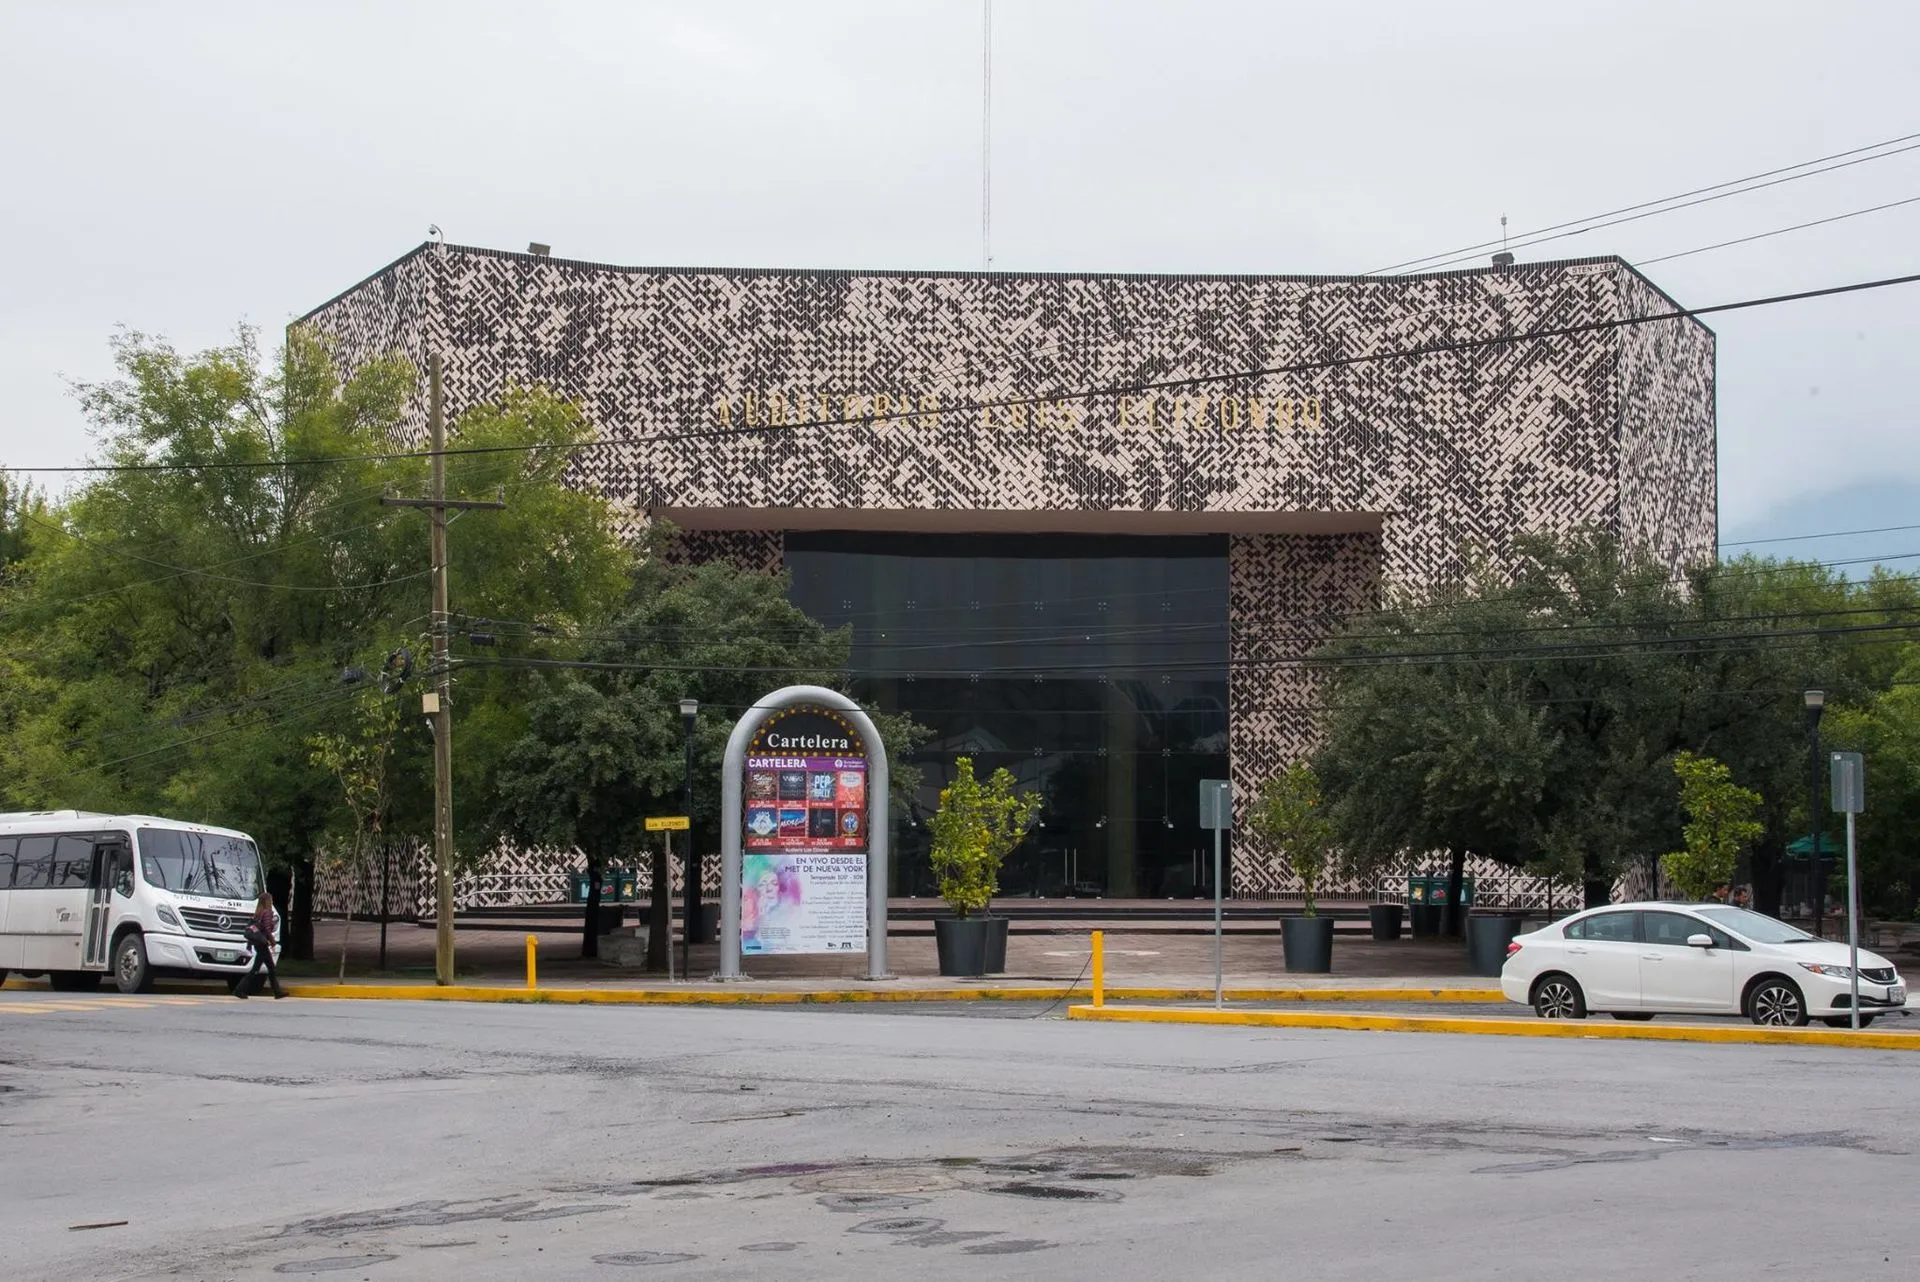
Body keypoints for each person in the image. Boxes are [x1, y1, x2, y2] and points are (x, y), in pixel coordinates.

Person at [235, 890, 287, 999]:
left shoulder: (258, 912)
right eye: (270, 900)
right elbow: (267, 930)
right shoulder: (267, 912)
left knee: (259, 968)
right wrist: (273, 942)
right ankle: (240, 990)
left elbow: (256, 929)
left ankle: (240, 990)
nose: (272, 901)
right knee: (268, 968)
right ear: (267, 901)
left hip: (258, 943)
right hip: (263, 943)